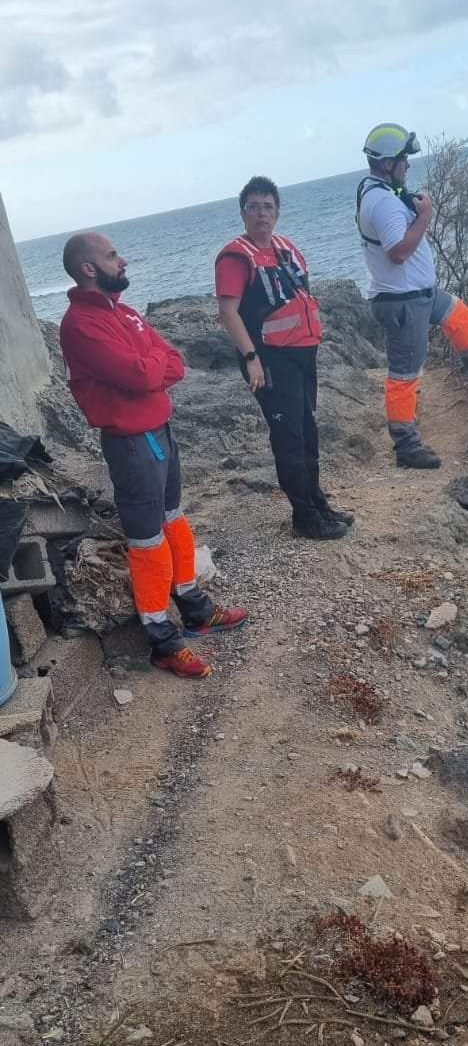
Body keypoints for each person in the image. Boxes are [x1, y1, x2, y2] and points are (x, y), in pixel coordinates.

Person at [60, 232, 248, 679]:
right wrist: (149, 364)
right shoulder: (81, 324)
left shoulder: (123, 312)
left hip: (159, 431)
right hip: (130, 442)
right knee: (146, 540)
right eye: (111, 256)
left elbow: (172, 361)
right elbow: (141, 373)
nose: (121, 260)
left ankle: (194, 608)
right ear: (89, 268)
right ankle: (162, 639)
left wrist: (150, 364)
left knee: (174, 520)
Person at [356, 123, 468, 469]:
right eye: (403, 160)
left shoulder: (379, 190)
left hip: (418, 295)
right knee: (404, 375)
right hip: (403, 302)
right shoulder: (382, 203)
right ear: (386, 163)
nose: (408, 165)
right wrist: (425, 216)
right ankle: (407, 446)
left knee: (457, 314)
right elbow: (398, 252)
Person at [215, 177, 353, 540]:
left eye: (268, 206)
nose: (262, 213)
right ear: (243, 212)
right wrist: (250, 358)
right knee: (289, 436)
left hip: (301, 355)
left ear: (277, 212)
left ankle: (317, 503)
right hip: (270, 360)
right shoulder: (235, 256)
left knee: (308, 430)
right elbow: (229, 313)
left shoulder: (283, 247)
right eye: (254, 206)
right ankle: (304, 518)